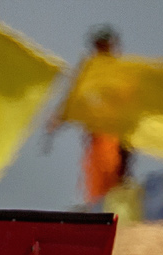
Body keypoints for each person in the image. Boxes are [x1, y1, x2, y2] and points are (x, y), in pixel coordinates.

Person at [48, 25, 132, 209]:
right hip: (97, 137)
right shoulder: (90, 72)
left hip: (119, 136)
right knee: (97, 180)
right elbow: (76, 100)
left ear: (113, 46)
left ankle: (115, 212)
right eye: (98, 45)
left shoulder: (123, 72)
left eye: (105, 45)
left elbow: (133, 102)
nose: (101, 49)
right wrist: (58, 119)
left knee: (116, 178)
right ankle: (99, 211)